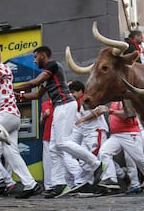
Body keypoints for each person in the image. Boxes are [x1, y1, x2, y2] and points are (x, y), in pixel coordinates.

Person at [13, 46, 105, 198]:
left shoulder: (53, 66)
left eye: (36, 57)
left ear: (43, 55)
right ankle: (59, 184)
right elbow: (37, 94)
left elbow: (35, 82)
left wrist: (10, 87)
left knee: (62, 142)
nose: (35, 61)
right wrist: (20, 97)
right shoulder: (47, 75)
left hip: (65, 105)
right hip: (59, 107)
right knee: (55, 148)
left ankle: (95, 164)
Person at [78, 101, 144, 195]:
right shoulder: (114, 100)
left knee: (140, 160)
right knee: (104, 152)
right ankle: (111, 180)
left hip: (129, 134)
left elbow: (130, 114)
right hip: (116, 135)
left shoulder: (126, 99)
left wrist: (109, 110)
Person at [0, 46, 40, 199]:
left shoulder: (2, 68)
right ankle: (31, 184)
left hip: (7, 114)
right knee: (11, 154)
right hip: (9, 118)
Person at [40, 98, 54, 195]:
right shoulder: (45, 104)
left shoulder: (64, 103)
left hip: (60, 137)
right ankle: (48, 186)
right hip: (47, 136)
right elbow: (41, 121)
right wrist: (44, 116)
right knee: (48, 162)